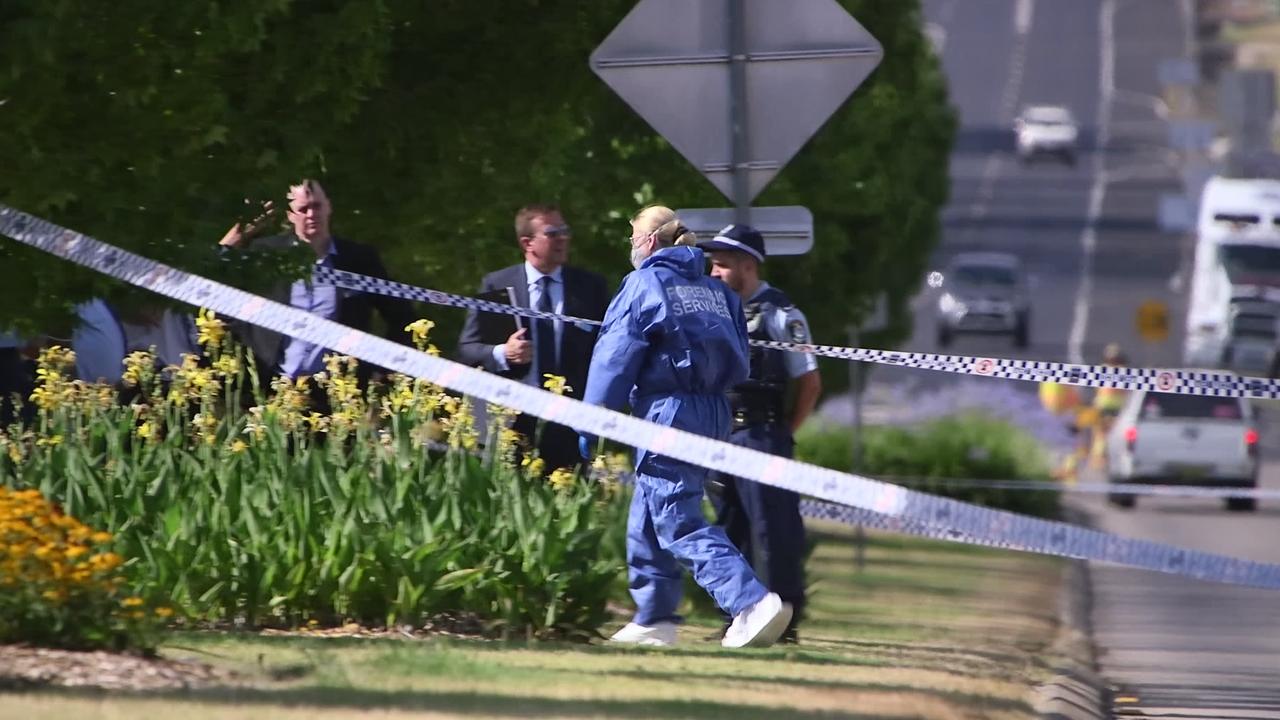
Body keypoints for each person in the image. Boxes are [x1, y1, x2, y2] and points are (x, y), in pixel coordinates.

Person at [579, 204, 792, 649]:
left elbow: (614, 358)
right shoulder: (716, 290)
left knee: (678, 520)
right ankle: (655, 616)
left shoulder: (645, 283)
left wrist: (590, 418)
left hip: (668, 412)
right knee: (650, 507)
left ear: (650, 241)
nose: (632, 247)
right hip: (714, 410)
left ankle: (749, 602)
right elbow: (739, 354)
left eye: (633, 238)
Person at [697, 223, 821, 644]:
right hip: (720, 436)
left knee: (774, 530)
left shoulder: (781, 315)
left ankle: (785, 619)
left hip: (761, 435)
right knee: (730, 528)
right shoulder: (714, 310)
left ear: (748, 266)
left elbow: (809, 383)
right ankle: (738, 616)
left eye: (721, 265)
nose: (713, 273)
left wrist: (784, 432)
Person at [218, 179, 416, 388]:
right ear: (290, 214)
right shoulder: (265, 254)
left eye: (317, 206)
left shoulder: (359, 259)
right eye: (303, 209)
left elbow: (403, 318)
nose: (312, 215)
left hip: (339, 391)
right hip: (272, 386)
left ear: (329, 206)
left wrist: (382, 373)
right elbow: (222, 305)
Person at [457, 204, 609, 471]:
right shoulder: (498, 284)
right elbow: (468, 348)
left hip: (569, 420)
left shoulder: (590, 287)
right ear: (527, 242)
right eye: (553, 233)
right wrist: (503, 353)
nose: (564, 238)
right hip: (511, 418)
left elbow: (606, 350)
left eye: (565, 231)